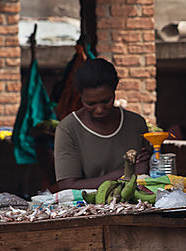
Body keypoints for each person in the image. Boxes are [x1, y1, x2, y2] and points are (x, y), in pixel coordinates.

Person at [53, 58, 149, 190]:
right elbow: (67, 186)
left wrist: (150, 162)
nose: (99, 109)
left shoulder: (136, 123)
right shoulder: (68, 129)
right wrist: (127, 172)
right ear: (80, 96)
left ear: (115, 90)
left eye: (106, 101)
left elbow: (149, 171)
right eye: (90, 103)